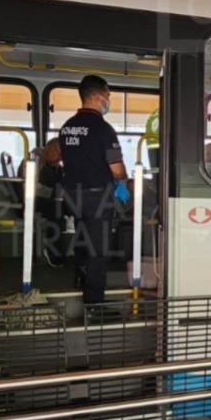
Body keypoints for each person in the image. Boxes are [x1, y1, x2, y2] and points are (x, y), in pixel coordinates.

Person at [59, 75, 129, 306]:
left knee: (80, 238)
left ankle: (79, 277)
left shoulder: (67, 128)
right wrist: (124, 180)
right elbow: (116, 169)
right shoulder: (103, 129)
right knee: (99, 251)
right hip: (96, 197)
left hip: (71, 194)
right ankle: (94, 304)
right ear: (98, 97)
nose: (108, 100)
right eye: (107, 96)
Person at [17, 137, 65, 268]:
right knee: (56, 211)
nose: (60, 159)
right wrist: (54, 193)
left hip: (46, 200)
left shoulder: (52, 164)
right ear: (49, 148)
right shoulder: (32, 161)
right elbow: (29, 186)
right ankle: (52, 251)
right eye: (59, 155)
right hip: (32, 202)